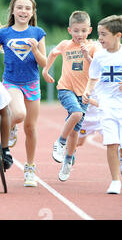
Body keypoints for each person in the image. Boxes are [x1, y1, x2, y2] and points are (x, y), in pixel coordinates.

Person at [0, 0, 47, 187]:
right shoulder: (3, 34)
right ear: (13, 10)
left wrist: (35, 50)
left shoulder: (38, 33)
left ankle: (29, 168)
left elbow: (44, 63)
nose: (23, 11)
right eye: (20, 7)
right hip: (11, 83)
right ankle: (10, 127)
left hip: (32, 84)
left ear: (32, 12)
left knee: (31, 127)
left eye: (28, 8)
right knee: (18, 114)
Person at [41, 11, 100, 181]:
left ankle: (68, 160)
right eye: (76, 31)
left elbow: (97, 67)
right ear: (69, 30)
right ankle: (60, 142)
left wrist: (87, 56)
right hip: (66, 89)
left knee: (75, 130)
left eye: (83, 31)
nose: (79, 34)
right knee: (76, 114)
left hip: (84, 94)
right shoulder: (65, 44)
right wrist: (45, 70)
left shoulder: (93, 47)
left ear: (89, 30)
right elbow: (52, 53)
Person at [83, 15, 122, 194]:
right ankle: (115, 180)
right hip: (106, 107)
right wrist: (87, 90)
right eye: (99, 34)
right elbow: (93, 77)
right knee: (111, 143)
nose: (100, 38)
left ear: (118, 35)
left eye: (104, 34)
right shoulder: (98, 56)